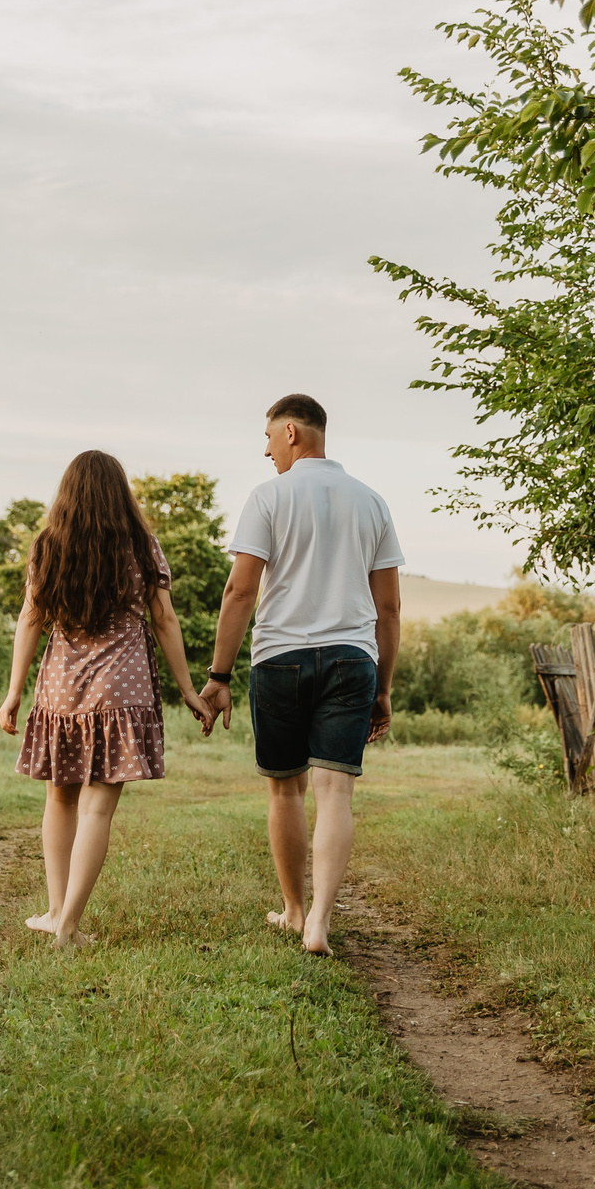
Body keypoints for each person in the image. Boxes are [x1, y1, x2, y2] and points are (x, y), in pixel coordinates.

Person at [196, 394, 402, 956]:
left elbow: (240, 591)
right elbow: (388, 608)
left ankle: (292, 910)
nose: (266, 452)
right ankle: (319, 924)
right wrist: (383, 688)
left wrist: (219, 675)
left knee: (286, 788)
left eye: (268, 438)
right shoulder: (372, 502)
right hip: (351, 659)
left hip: (280, 657)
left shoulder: (268, 497)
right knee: (336, 793)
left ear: (291, 432)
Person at [0, 449, 210, 948]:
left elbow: (30, 618)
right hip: (122, 686)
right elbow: (165, 620)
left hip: (62, 688)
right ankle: (67, 924)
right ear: (121, 494)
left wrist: (13, 692)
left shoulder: (47, 546)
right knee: (97, 810)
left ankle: (57, 913)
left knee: (59, 797)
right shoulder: (141, 545)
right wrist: (188, 690)